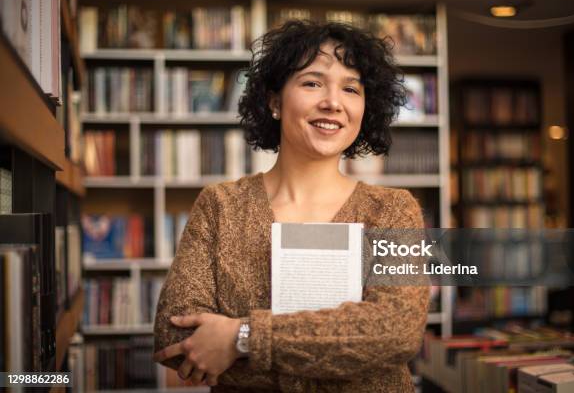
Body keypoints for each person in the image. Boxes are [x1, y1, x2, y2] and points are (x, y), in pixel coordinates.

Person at [153, 20, 430, 392]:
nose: (332, 102)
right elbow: (175, 336)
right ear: (274, 101)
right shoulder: (221, 206)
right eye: (312, 83)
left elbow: (397, 332)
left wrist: (240, 338)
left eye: (351, 88)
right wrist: (346, 353)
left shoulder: (394, 210)